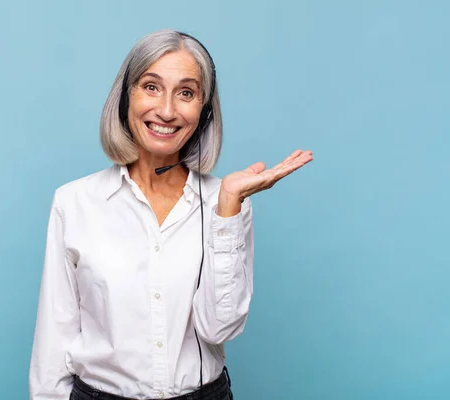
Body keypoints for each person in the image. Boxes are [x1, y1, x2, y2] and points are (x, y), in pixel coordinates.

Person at [29, 29, 313, 400]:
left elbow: (219, 328)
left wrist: (228, 209)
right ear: (124, 97)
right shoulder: (74, 201)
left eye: (186, 93)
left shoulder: (225, 202)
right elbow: (55, 337)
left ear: (204, 111)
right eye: (151, 86)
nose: (166, 110)